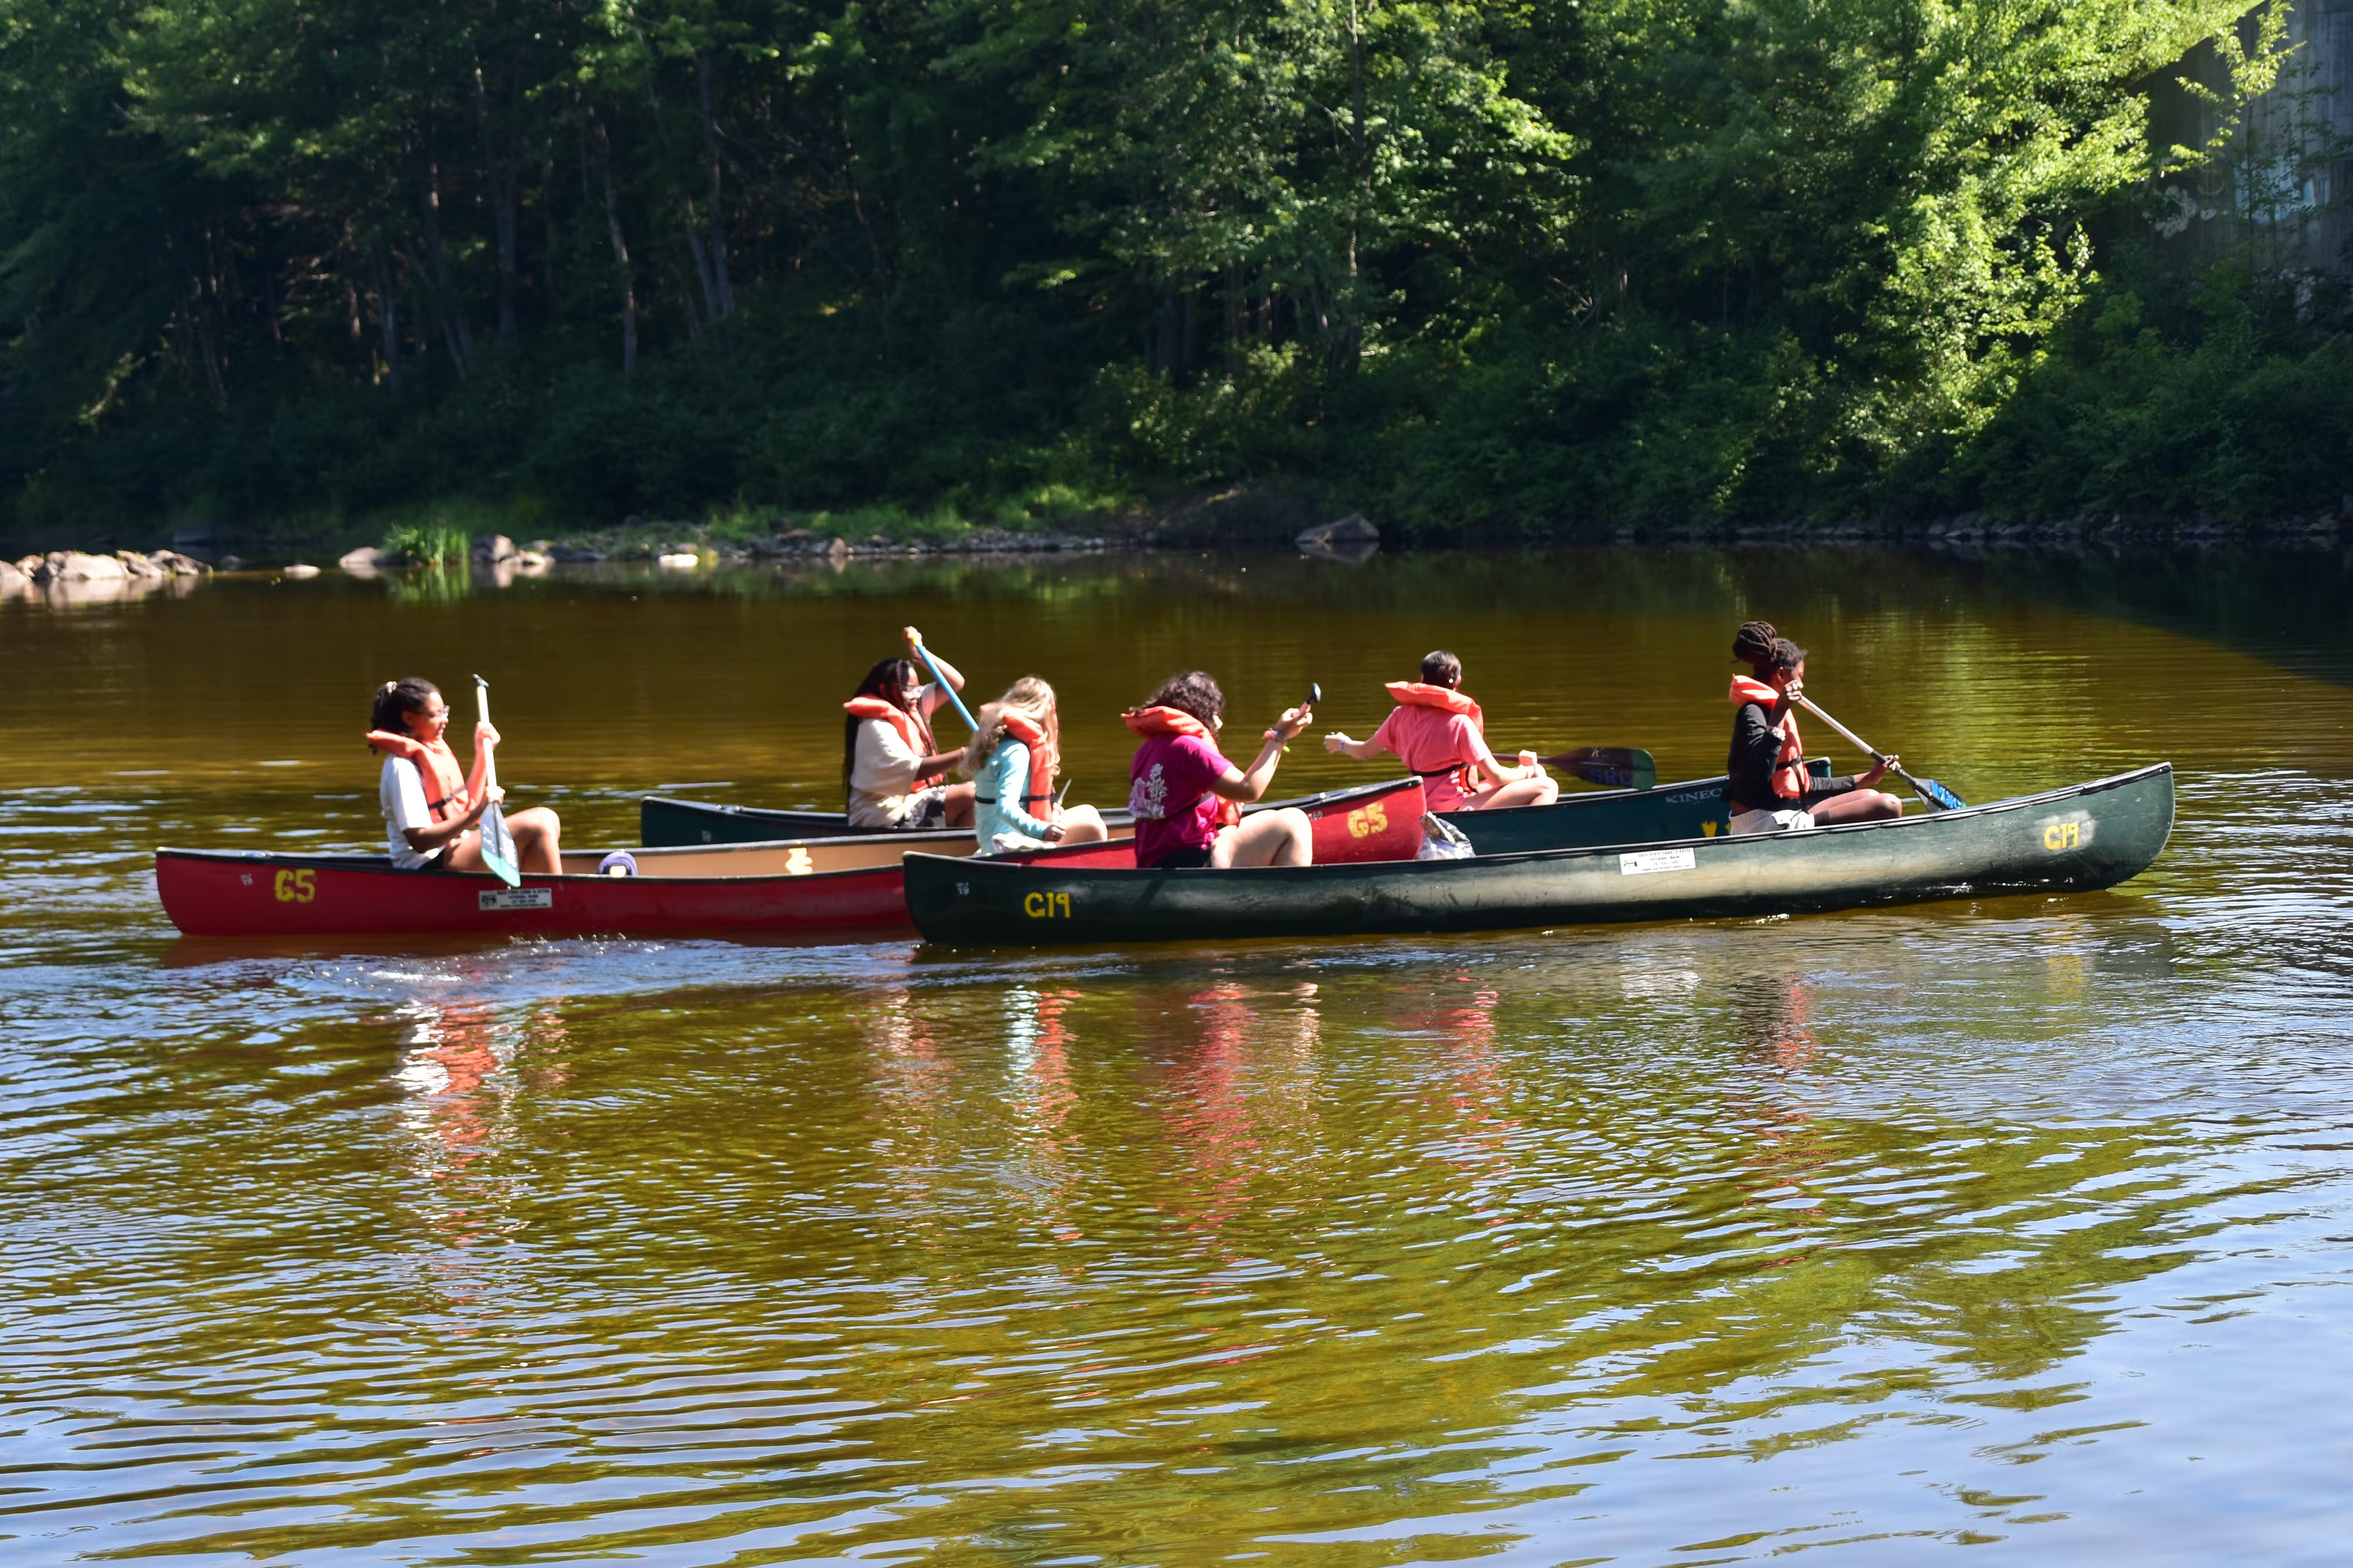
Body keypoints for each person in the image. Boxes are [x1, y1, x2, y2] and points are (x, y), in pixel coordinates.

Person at [366, 678, 563, 873]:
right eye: (436, 715)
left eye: (445, 711)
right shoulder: (402, 767)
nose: (445, 720)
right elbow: (420, 840)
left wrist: (484, 752)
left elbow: (464, 803)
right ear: (409, 718)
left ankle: (540, 896)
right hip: (424, 865)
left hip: (455, 847)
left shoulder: (432, 751)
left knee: (549, 819)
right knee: (539, 822)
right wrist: (477, 813)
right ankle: (560, 898)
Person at [1725, 620, 1904, 833]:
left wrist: (1869, 778)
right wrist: (1779, 712)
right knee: (1889, 805)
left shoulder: (1770, 710)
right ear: (1782, 675)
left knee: (1871, 796)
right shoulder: (1752, 713)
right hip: (1760, 825)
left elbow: (1799, 783)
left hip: (1783, 816)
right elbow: (1758, 774)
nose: (1802, 684)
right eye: (1799, 677)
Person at [1322, 650, 1558, 811]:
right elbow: (1496, 777)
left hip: (1420, 806)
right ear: (1457, 683)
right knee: (1546, 783)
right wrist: (1526, 770)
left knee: (1535, 774)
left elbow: (1365, 752)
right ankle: (1530, 843)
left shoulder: (1400, 716)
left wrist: (1342, 743)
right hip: (1454, 809)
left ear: (1423, 679)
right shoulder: (1460, 724)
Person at [1126, 671, 1315, 869]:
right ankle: (1287, 898)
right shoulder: (1189, 747)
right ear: (1205, 711)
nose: (1219, 723)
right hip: (1190, 863)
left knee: (1228, 830)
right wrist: (1280, 736)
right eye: (1216, 713)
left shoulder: (1146, 750)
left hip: (1153, 863)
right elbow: (1248, 789)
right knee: (1294, 822)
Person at [843, 626, 975, 830]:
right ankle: (964, 851)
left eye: (917, 689)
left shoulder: (913, 708)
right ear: (885, 690)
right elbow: (913, 771)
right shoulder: (874, 727)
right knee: (971, 795)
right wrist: (966, 754)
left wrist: (919, 652)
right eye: (908, 689)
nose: (915, 695)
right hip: (883, 816)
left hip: (911, 802)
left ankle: (963, 849)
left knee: (979, 791)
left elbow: (954, 683)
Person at [967, 676, 1109, 853]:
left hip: (999, 834)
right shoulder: (1016, 752)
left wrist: (1050, 812)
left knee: (1088, 811)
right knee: (1093, 827)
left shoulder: (1001, 745)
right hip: (1006, 841)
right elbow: (1006, 808)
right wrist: (1043, 830)